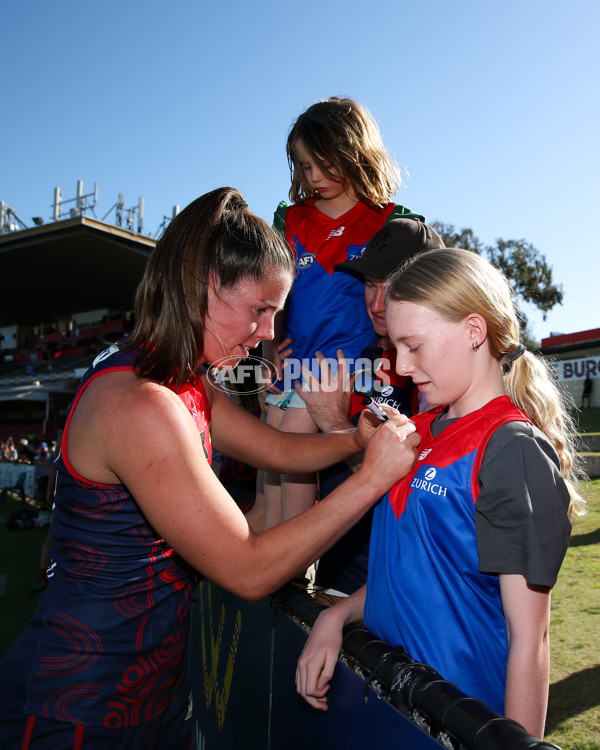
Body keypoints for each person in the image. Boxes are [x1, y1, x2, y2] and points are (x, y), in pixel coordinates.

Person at [0, 187, 420, 750]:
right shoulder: (142, 403)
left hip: (153, 693)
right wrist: (372, 478)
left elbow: (276, 449)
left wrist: (355, 440)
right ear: (202, 285)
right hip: (80, 705)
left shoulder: (182, 378)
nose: (269, 333)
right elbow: (248, 570)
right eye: (259, 310)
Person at [295, 248, 586, 740]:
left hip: (459, 722)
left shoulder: (510, 447)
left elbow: (528, 636)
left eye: (414, 345)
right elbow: (415, 569)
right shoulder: (417, 430)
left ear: (475, 331)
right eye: (394, 346)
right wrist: (338, 615)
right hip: (389, 705)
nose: (402, 366)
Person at [263, 96, 424, 530]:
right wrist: (270, 347)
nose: (313, 176)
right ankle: (266, 553)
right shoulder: (291, 220)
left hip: (350, 368)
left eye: (322, 163)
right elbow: (274, 292)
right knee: (268, 448)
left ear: (354, 151)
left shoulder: (392, 220)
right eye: (303, 166)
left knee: (293, 436)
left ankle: (291, 564)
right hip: (296, 363)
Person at [296, 218, 445, 598]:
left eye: (392, 288)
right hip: (334, 576)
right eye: (370, 284)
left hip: (390, 593)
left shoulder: (440, 373)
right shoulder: (365, 351)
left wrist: (331, 423)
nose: (377, 304)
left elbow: (418, 493)